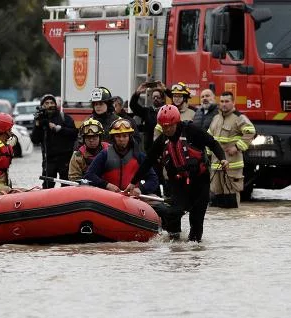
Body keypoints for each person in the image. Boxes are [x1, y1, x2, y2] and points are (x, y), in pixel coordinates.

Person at [125, 105, 229, 242]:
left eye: (169, 126)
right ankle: (175, 244)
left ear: (177, 123)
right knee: (173, 213)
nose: (167, 130)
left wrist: (223, 158)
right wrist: (133, 182)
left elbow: (213, 143)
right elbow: (148, 162)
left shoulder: (192, 130)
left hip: (200, 182)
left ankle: (195, 250)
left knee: (196, 220)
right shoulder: (162, 140)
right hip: (178, 183)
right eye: (163, 126)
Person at [84, 118, 158, 196]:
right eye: (118, 136)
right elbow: (89, 175)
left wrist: (141, 189)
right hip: (108, 197)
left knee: (160, 207)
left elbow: (153, 179)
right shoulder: (104, 154)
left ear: (129, 137)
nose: (121, 139)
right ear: (113, 138)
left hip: (133, 199)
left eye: (125, 136)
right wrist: (106, 185)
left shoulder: (139, 156)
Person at [208, 91, 256, 208]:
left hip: (232, 166)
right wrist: (207, 155)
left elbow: (251, 132)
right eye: (222, 101)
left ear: (233, 102)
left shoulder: (239, 118)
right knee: (216, 200)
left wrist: (237, 147)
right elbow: (209, 138)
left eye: (227, 101)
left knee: (231, 202)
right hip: (216, 166)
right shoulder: (216, 118)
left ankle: (233, 224)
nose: (224, 104)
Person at [31, 94, 78, 189]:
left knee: (66, 185)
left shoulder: (64, 117)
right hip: (49, 159)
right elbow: (35, 140)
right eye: (46, 103)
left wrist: (59, 129)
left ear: (56, 104)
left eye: (52, 102)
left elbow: (74, 134)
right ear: (42, 106)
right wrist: (38, 125)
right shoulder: (40, 120)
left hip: (65, 158)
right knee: (47, 186)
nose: (49, 105)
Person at [130, 81, 166, 151]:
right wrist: (137, 93)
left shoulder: (167, 110)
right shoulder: (147, 111)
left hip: (164, 147)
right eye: (153, 97)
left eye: (158, 97)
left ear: (162, 99)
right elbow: (133, 106)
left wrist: (165, 89)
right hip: (149, 148)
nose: (155, 99)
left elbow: (177, 103)